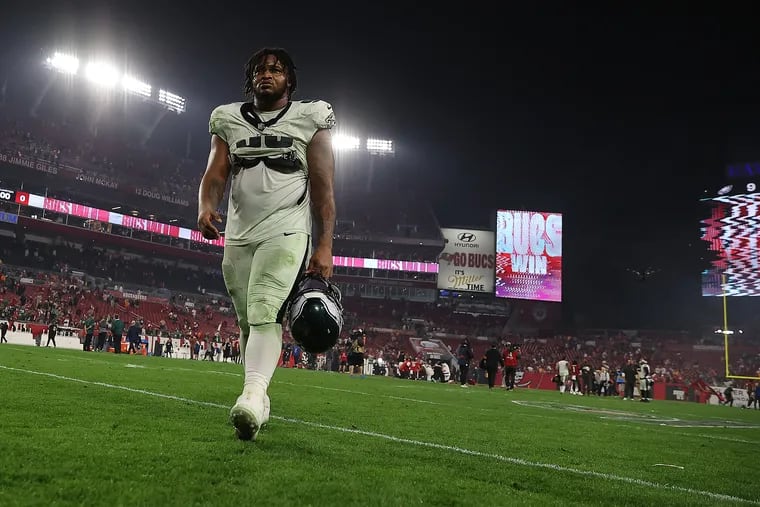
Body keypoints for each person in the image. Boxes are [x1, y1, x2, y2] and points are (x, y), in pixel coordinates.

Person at [198, 47, 336, 441]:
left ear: (289, 79)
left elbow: (324, 188)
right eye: (259, 69)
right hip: (240, 233)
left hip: (287, 228)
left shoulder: (311, 117)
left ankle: (253, 396)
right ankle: (258, 396)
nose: (266, 74)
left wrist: (324, 245)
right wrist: (206, 206)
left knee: (263, 309)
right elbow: (214, 173)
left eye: (276, 70)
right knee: (248, 320)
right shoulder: (226, 118)